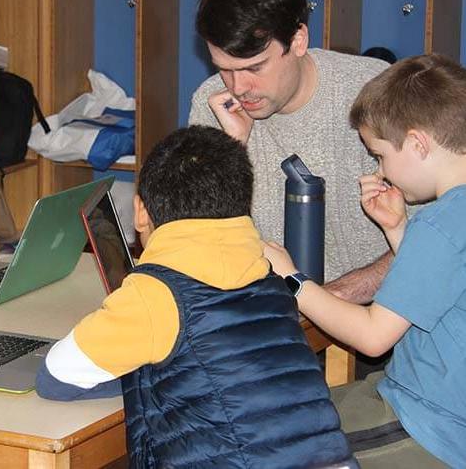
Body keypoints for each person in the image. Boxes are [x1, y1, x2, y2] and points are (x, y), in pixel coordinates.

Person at [37, 125, 355, 468]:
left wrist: (134, 365)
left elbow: (56, 378)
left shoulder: (154, 294)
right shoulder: (268, 273)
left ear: (141, 212)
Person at [264, 54, 466, 468]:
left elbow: (374, 337)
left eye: (380, 156)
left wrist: (292, 279)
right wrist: (397, 231)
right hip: (433, 405)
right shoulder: (452, 217)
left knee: (268, 445)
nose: (382, 170)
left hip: (429, 427)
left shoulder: (440, 223)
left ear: (417, 144)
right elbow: (442, 282)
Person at [188, 0, 391, 301]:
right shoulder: (213, 102)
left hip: (376, 320)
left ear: (298, 40)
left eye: (255, 67)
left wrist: (326, 303)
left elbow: (436, 241)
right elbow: (199, 240)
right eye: (224, 68)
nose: (239, 87)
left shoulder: (376, 92)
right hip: (265, 319)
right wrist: (231, 150)